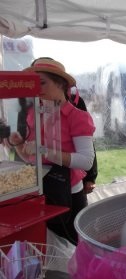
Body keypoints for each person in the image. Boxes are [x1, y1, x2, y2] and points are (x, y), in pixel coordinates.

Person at [9, 57, 96, 245]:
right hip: (40, 191)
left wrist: (45, 150)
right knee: (48, 243)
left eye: (42, 83)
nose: (36, 89)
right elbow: (32, 159)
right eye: (33, 84)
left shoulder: (77, 117)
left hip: (68, 193)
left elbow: (86, 161)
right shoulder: (34, 114)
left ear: (61, 84)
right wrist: (18, 145)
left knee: (76, 244)